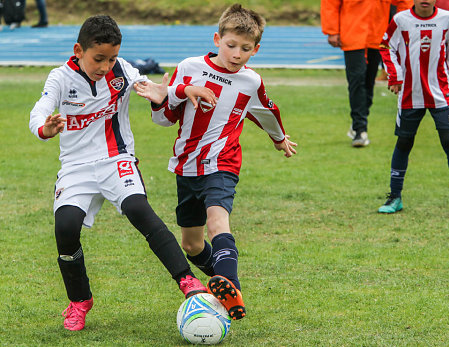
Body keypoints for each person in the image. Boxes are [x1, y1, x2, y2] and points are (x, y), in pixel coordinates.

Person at [28, 15, 207, 331]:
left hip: (116, 160)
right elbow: (39, 112)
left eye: (111, 58)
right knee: (66, 228)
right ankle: (79, 300)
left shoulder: (122, 70)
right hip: (76, 167)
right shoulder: (60, 78)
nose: (106, 66)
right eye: (99, 59)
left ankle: (188, 281)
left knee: (139, 209)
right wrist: (45, 128)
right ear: (78, 50)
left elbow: (150, 86)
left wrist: (174, 89)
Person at [134, 3, 297, 320]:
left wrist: (279, 138)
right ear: (217, 38)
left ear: (255, 49)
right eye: (231, 45)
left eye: (245, 49)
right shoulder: (190, 67)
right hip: (186, 165)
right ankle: (221, 281)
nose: (237, 54)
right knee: (192, 245)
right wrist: (163, 98)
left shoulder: (251, 82)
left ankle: (230, 286)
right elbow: (165, 119)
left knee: (217, 221)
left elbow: (266, 112)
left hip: (223, 162)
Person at [378, 0, 449, 216]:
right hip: (410, 94)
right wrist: (396, 75)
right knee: (404, 142)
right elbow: (386, 47)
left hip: (440, 92)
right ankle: (395, 197)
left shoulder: (447, 19)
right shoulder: (400, 20)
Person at [321, 0, 413, 147]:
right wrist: (332, 30)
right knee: (356, 80)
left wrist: (401, 25)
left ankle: (359, 120)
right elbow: (330, 3)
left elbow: (405, 2)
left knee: (369, 82)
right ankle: (360, 129)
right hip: (352, 33)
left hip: (377, 34)